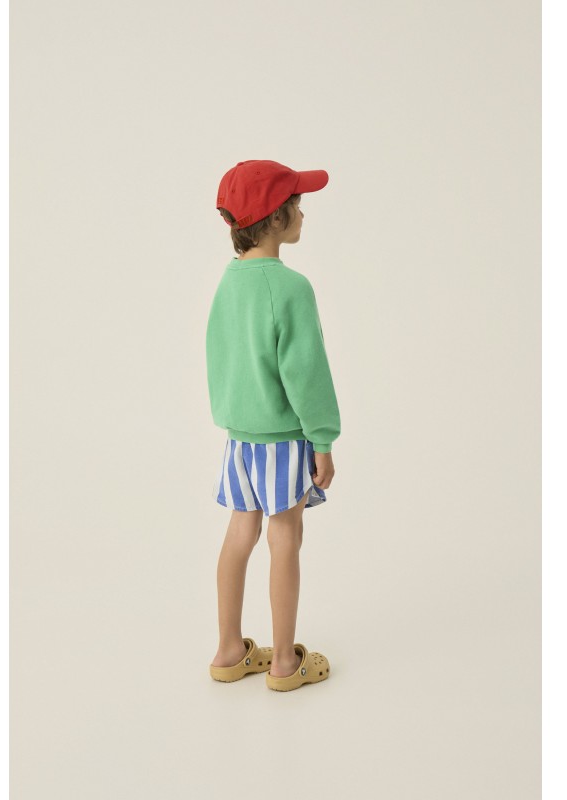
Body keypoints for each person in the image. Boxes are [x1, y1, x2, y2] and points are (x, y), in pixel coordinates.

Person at [205, 159, 341, 691]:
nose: (303, 213)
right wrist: (322, 439)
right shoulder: (290, 287)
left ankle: (228, 651)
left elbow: (220, 356)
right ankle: (285, 662)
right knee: (285, 537)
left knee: (240, 533)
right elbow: (307, 373)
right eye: (297, 204)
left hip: (239, 439)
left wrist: (231, 413)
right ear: (276, 218)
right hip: (283, 440)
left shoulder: (228, 282)